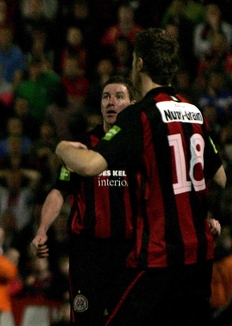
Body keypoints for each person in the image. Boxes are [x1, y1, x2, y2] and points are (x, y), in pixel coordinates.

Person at [56, 29, 227, 325]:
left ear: (139, 64)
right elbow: (221, 177)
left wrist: (61, 148)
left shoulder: (142, 115)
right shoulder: (194, 112)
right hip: (199, 257)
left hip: (161, 258)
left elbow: (90, 165)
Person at [32, 76, 135, 325]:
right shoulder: (81, 147)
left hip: (129, 251)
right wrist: (42, 229)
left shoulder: (139, 148)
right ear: (99, 105)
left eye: (119, 97)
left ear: (132, 104)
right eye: (106, 97)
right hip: (88, 253)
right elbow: (59, 191)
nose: (111, 102)